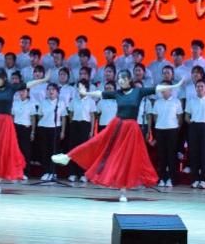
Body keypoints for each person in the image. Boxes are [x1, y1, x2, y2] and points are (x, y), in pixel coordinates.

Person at [52, 70, 179, 202]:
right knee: (96, 142)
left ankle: (123, 191)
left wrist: (175, 86)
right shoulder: (117, 93)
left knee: (126, 159)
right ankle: (68, 156)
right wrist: (86, 93)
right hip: (117, 125)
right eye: (119, 79)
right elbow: (100, 93)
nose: (120, 81)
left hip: (131, 130)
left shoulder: (138, 92)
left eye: (123, 79)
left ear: (129, 79)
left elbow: (157, 88)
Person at [185, 79, 205, 189]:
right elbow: (186, 116)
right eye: (198, 86)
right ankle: (194, 179)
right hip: (194, 127)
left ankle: (203, 180)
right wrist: (191, 122)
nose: (199, 88)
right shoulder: (191, 101)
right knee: (194, 154)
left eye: (202, 86)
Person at [150, 85, 183, 187]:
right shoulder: (157, 102)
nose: (163, 91)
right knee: (161, 155)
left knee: (171, 155)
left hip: (172, 130)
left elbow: (180, 117)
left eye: (165, 89)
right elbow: (155, 116)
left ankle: (171, 179)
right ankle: (162, 178)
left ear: (170, 90)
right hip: (160, 130)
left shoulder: (176, 101)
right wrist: (160, 124)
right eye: (162, 90)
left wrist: (176, 127)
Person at [37, 83, 68, 181]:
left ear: (57, 92)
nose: (51, 91)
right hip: (43, 127)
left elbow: (63, 117)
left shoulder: (61, 103)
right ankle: (46, 172)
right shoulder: (43, 102)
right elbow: (40, 115)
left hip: (55, 128)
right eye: (49, 89)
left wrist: (62, 131)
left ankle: (53, 172)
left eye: (53, 89)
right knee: (44, 150)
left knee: (54, 151)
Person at [66, 83, 96, 183]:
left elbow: (92, 116)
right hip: (75, 124)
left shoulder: (91, 101)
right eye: (79, 88)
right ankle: (73, 173)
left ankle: (83, 173)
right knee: (73, 149)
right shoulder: (74, 100)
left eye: (82, 88)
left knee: (84, 150)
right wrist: (72, 123)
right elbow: (71, 113)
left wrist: (91, 130)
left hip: (85, 125)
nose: (80, 90)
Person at [11, 86, 37, 180]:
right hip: (16, 127)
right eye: (20, 91)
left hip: (26, 128)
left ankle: (25, 172)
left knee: (25, 151)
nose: (21, 93)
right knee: (15, 150)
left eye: (24, 91)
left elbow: (33, 118)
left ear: (28, 93)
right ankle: (14, 170)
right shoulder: (15, 102)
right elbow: (12, 116)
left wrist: (32, 132)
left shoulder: (31, 103)